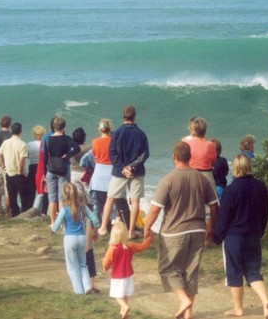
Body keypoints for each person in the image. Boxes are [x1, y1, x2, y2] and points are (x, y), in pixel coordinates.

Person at [143, 141, 219, 319]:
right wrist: (211, 228)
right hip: (198, 230)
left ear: (173, 157)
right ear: (190, 157)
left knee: (168, 269)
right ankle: (188, 314)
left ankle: (184, 300)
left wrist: (147, 228)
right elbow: (214, 206)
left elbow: (155, 209)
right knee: (190, 271)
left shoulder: (168, 180)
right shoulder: (201, 178)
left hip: (174, 232)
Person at [214, 154, 268, 318]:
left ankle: (238, 309)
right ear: (249, 166)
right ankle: (265, 300)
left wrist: (217, 237)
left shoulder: (231, 189)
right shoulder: (260, 186)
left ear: (235, 169)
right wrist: (261, 230)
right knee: (253, 272)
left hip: (234, 237)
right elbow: (265, 211)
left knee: (234, 273)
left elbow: (224, 217)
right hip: (253, 235)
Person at [98, 106, 149, 240]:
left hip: (119, 171)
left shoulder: (117, 133)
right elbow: (145, 154)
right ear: (134, 116)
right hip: (136, 171)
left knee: (111, 198)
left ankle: (103, 228)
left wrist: (123, 168)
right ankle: (131, 231)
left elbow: (112, 153)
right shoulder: (141, 133)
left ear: (123, 116)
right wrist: (131, 167)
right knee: (135, 200)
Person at [51, 182, 99, 295]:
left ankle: (78, 291)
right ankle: (87, 287)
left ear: (64, 195)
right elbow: (95, 219)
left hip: (69, 238)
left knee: (72, 266)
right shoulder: (83, 207)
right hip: (82, 237)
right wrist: (95, 230)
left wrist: (53, 230)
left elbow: (57, 224)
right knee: (83, 264)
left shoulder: (64, 209)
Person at [102, 220, 152, 319]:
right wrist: (148, 239)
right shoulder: (130, 245)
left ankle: (124, 307)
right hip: (129, 274)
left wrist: (105, 267)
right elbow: (142, 247)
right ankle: (124, 314)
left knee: (116, 294)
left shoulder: (112, 248)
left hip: (117, 276)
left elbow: (106, 262)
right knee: (125, 293)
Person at [44, 117, 80, 225]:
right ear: (64, 127)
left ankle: (53, 222)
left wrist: (44, 171)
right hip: (63, 168)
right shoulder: (66, 138)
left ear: (53, 127)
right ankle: (62, 222)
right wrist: (67, 156)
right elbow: (77, 148)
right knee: (62, 197)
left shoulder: (48, 139)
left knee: (52, 198)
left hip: (51, 169)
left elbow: (45, 156)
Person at [183, 117, 218, 230]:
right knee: (208, 207)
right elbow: (214, 160)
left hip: (189, 174)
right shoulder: (210, 145)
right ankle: (208, 237)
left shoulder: (185, 142)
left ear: (192, 129)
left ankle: (189, 230)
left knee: (189, 204)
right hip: (206, 175)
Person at [0, 122, 31, 217]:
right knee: (24, 196)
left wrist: (3, 166)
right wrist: (20, 172)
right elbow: (22, 160)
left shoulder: (6, 142)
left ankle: (15, 214)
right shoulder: (23, 144)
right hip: (18, 173)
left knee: (12, 197)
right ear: (20, 131)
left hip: (9, 172)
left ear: (11, 131)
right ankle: (24, 214)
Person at [29, 125, 48, 214]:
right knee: (42, 189)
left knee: (33, 190)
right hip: (41, 167)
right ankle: (43, 210)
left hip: (32, 166)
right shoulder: (45, 143)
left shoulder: (30, 144)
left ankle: (32, 209)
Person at [70, 127, 91, 204]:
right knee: (90, 198)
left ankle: (80, 215)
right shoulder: (89, 148)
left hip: (74, 173)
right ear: (84, 137)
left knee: (78, 199)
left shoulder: (71, 149)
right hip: (85, 174)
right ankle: (91, 215)